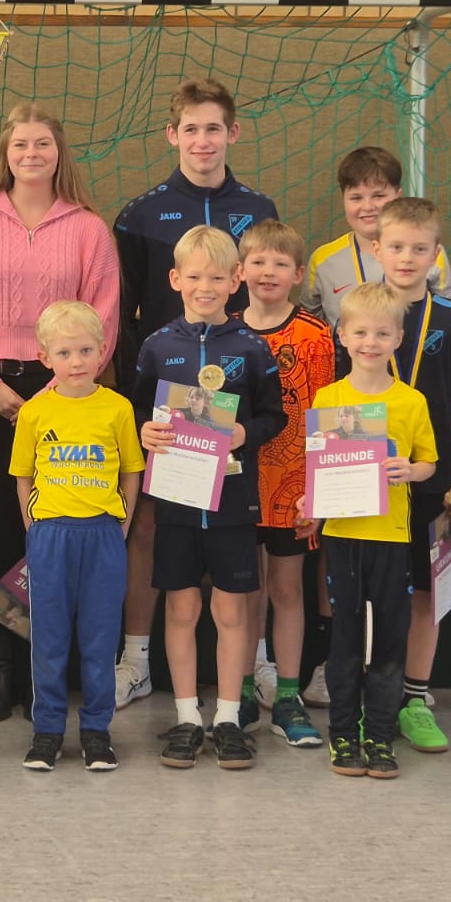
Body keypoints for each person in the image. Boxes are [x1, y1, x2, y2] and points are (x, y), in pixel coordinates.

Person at [0, 102, 121, 722]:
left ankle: (51, 672)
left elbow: (102, 318)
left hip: (65, 392)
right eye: (20, 144)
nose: (32, 153)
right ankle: (2, 673)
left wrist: (59, 391)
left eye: (43, 143)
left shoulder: (88, 228)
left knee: (52, 529)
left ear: (58, 152)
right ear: (6, 153)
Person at [112, 79, 278, 710]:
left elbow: (269, 291)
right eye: (191, 129)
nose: (202, 141)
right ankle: (136, 659)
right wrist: (142, 409)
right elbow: (125, 314)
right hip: (167, 403)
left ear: (232, 133)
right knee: (150, 526)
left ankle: (256, 664)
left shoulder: (258, 206)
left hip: (235, 390)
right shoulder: (141, 213)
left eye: (214, 128)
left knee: (246, 527)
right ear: (172, 135)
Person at [134, 226, 287, 769]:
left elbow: (274, 415)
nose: (206, 287)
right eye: (195, 276)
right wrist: (144, 432)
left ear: (236, 280)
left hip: (232, 500)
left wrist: (246, 431)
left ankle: (227, 718)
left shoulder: (251, 347)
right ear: (175, 279)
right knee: (181, 607)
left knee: (230, 608)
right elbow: (138, 412)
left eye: (217, 277)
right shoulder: (157, 346)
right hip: (176, 500)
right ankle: (185, 718)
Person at [346, 198, 451, 754]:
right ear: (376, 249)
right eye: (397, 247)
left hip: (433, 481)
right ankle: (367, 697)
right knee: (366, 596)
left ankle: (415, 699)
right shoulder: (357, 316)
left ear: (436, 254)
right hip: (365, 480)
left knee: (427, 593)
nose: (407, 258)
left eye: (419, 248)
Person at [299, 282, 437, 780]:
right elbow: (318, 469)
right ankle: (343, 736)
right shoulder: (329, 398)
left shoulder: (411, 401)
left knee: (389, 640)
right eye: (360, 332)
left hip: (392, 538)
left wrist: (410, 470)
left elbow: (429, 463)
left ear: (398, 338)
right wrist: (310, 503)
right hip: (343, 537)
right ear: (342, 335)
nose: (370, 342)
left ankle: (380, 736)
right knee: (346, 638)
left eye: (381, 333)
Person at [11, 301, 144, 772]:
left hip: (103, 533)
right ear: (45, 356)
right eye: (65, 353)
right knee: (49, 639)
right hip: (51, 535)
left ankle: (96, 732)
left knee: (99, 639)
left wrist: (122, 524)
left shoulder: (118, 408)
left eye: (86, 350)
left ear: (103, 350)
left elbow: (131, 470)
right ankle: (47, 732)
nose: (76, 361)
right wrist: (34, 528)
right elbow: (23, 475)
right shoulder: (34, 412)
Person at [236, 219, 334, 748]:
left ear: (298, 274)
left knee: (287, 588)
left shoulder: (316, 338)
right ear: (240, 271)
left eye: (280, 263)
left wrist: (317, 490)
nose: (268, 272)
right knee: (243, 589)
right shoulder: (224, 331)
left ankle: (289, 695)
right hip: (236, 485)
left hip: (294, 488)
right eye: (258, 261)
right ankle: (243, 689)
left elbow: (327, 416)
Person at [299, 146, 451, 325]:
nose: (368, 206)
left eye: (378, 195)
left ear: (398, 196)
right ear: (343, 199)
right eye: (356, 198)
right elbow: (309, 325)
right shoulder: (323, 260)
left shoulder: (427, 253)